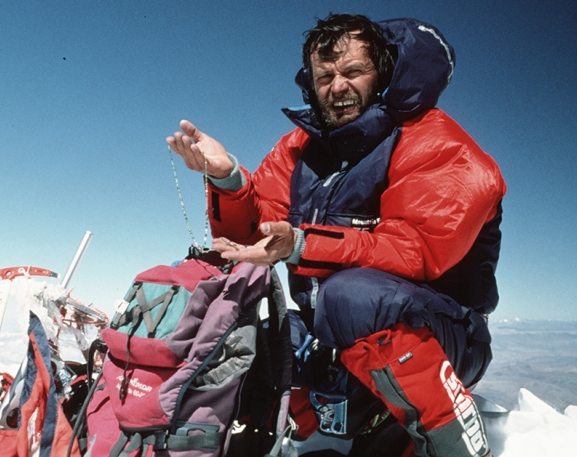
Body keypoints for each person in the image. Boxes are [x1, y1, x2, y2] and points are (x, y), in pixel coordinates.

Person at [167, 13, 505, 457]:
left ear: (383, 73)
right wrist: (229, 180)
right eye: (324, 76)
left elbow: (415, 248)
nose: (337, 86)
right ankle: (299, 434)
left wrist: (303, 244)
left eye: (352, 72)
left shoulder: (437, 143)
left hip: (443, 336)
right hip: (334, 336)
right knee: (234, 320)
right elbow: (257, 233)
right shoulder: (299, 148)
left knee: (349, 296)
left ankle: (457, 444)